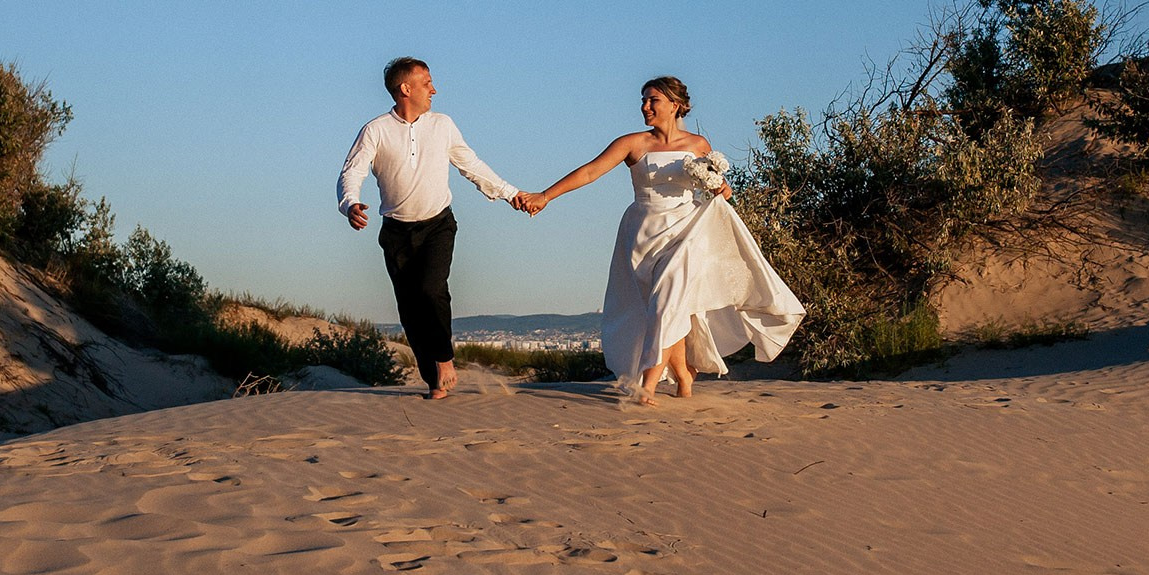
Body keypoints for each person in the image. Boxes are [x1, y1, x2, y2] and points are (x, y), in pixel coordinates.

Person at [515, 76, 804, 404]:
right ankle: (683, 376)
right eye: (643, 100)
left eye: (653, 100)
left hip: (686, 231)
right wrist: (546, 196)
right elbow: (591, 171)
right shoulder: (632, 143)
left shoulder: (698, 145)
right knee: (664, 308)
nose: (645, 106)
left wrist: (722, 189)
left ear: (676, 105)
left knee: (667, 300)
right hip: (642, 233)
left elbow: (716, 186)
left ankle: (648, 383)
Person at [337, 58, 522, 400]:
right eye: (427, 83)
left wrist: (510, 194)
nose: (434, 89)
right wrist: (350, 203)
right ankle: (434, 382)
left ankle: (444, 359)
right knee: (409, 310)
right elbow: (352, 171)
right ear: (405, 89)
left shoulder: (443, 125)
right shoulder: (375, 130)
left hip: (438, 224)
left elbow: (471, 164)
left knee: (431, 289)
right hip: (396, 232)